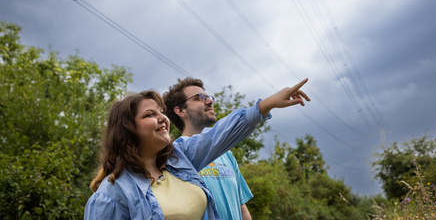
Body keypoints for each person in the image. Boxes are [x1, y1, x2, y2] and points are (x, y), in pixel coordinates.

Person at [84, 79, 309, 220]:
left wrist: (265, 105)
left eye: (160, 112)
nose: (162, 118)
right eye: (150, 115)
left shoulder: (179, 158)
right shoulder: (112, 194)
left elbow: (219, 135)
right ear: (128, 129)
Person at [163, 78, 253, 220]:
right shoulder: (174, 156)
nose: (210, 101)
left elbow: (242, 210)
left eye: (208, 97)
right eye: (199, 98)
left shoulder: (227, 155)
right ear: (180, 111)